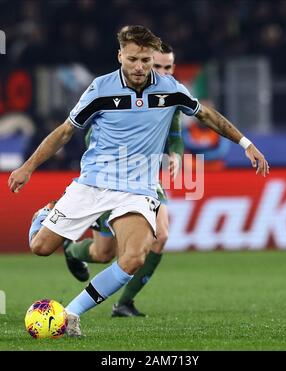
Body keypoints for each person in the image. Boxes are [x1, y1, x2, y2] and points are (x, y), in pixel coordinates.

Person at [8, 25, 269, 337]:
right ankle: (44, 216)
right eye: (133, 59)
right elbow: (66, 131)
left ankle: (71, 314)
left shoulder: (170, 88)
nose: (140, 67)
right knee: (40, 247)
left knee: (133, 257)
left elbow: (208, 117)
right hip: (93, 183)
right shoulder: (100, 89)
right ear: (120, 56)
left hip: (137, 190)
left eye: (146, 60)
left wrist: (246, 144)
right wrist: (28, 167)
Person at [60, 42, 183, 318]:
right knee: (103, 253)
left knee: (160, 236)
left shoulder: (170, 94)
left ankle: (124, 303)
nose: (162, 71)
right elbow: (92, 135)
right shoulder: (116, 92)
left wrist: (175, 155)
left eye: (167, 66)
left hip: (146, 180)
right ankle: (70, 249)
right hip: (108, 180)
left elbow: (175, 136)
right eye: (158, 65)